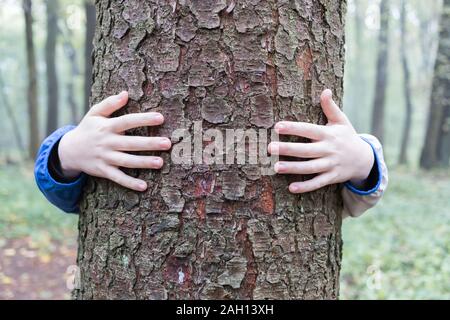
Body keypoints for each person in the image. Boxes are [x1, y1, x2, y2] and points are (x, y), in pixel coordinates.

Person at [35, 89, 388, 218]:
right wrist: (66, 152)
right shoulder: (99, 143)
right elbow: (69, 198)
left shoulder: (336, 149)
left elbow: (353, 202)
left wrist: (363, 160)